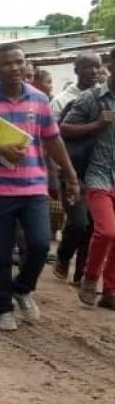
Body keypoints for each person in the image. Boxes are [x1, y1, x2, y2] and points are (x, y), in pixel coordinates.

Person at [0, 42, 80, 331]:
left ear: (26, 65)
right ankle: (3, 309)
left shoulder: (39, 99)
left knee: (40, 245)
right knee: (0, 254)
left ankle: (22, 288)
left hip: (33, 187)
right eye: (8, 63)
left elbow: (53, 139)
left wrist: (71, 175)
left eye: (20, 62)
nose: (15, 68)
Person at [62, 47, 115, 309]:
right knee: (106, 231)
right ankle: (90, 278)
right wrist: (96, 126)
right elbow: (63, 129)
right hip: (98, 174)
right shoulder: (92, 99)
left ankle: (110, 291)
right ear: (111, 64)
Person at [54, 53, 104, 283]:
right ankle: (63, 256)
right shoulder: (62, 100)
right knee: (79, 222)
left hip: (100, 170)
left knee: (94, 225)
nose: (93, 72)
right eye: (88, 67)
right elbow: (53, 135)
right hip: (72, 169)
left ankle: (80, 274)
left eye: (97, 67)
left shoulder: (106, 98)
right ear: (76, 69)